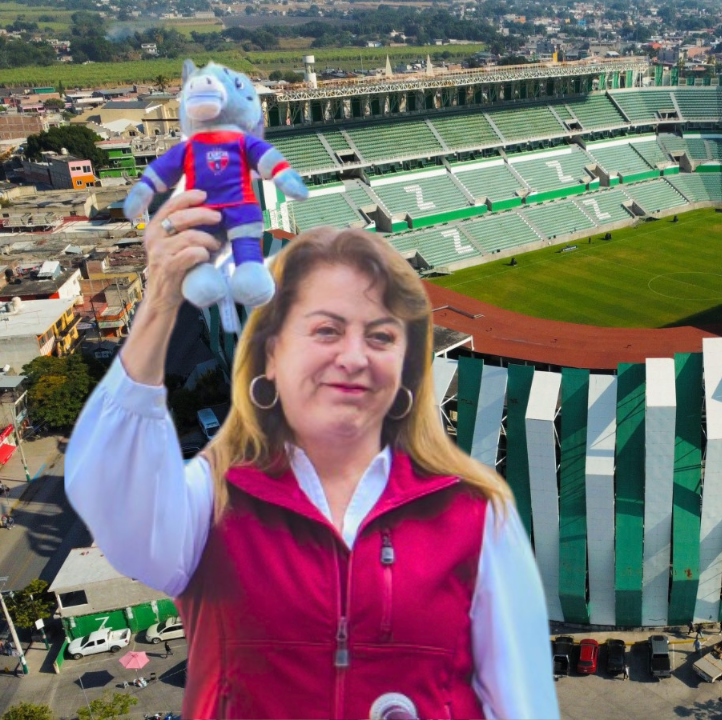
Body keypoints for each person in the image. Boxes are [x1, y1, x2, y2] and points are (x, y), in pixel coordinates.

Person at [65, 192, 558, 720]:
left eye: (381, 336)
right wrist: (160, 304)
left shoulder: (476, 517)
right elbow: (111, 499)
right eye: (324, 330)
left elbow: (520, 700)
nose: (352, 357)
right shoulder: (214, 503)